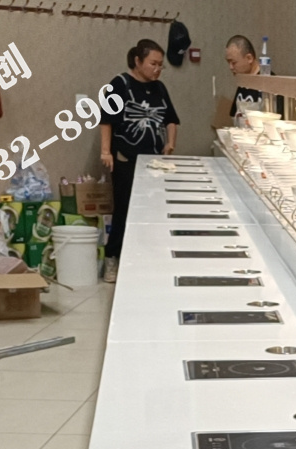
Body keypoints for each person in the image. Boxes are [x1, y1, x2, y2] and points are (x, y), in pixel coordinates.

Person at [98, 39, 179, 282]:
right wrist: (106, 151)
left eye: (161, 65)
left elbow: (171, 119)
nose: (157, 69)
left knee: (152, 210)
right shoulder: (119, 84)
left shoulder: (159, 88)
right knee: (124, 209)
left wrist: (170, 142)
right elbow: (106, 120)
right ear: (137, 60)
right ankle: (112, 257)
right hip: (126, 158)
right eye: (153, 63)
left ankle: (144, 258)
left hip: (153, 161)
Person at [226, 34, 265, 115]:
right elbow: (234, 115)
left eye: (233, 62)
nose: (231, 67)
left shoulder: (268, 83)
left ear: (249, 58)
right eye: (228, 62)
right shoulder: (243, 82)